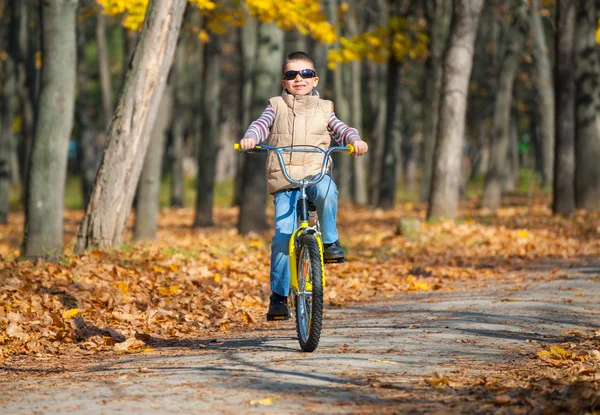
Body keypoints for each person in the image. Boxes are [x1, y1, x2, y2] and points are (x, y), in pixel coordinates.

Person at [239, 51, 368, 320]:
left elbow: (343, 129)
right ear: (283, 82)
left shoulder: (325, 109)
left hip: (315, 173)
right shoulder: (275, 106)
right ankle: (278, 297)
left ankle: (331, 241)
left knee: (327, 191)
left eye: (305, 74)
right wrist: (251, 138)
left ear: (315, 80)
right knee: (283, 236)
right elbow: (260, 126)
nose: (299, 79)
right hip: (285, 178)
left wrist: (354, 140)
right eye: (291, 75)